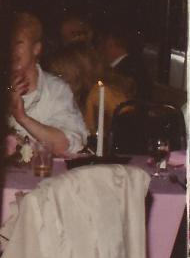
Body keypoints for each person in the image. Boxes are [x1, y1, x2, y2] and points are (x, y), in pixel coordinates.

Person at [9, 11, 87, 155]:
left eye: (18, 43)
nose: (11, 50)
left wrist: (22, 118)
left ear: (36, 49)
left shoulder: (56, 89)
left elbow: (68, 144)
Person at [49, 41, 134, 138]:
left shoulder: (100, 94)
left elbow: (127, 128)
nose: (54, 80)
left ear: (79, 71)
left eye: (60, 74)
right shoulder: (77, 98)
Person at [96, 20, 153, 101]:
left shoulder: (123, 72)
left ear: (110, 42)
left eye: (101, 42)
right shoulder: (133, 64)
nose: (99, 48)